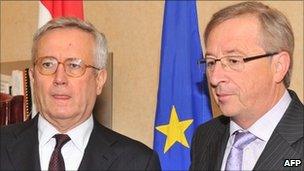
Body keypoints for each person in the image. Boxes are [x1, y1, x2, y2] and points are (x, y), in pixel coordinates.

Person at [0, 17, 160, 171]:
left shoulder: (138, 162)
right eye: (48, 64)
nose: (59, 78)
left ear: (99, 80)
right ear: (33, 77)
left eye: (74, 65)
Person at [190, 1, 303, 171]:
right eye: (211, 62)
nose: (214, 78)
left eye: (234, 60)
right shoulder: (205, 137)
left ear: (278, 66)